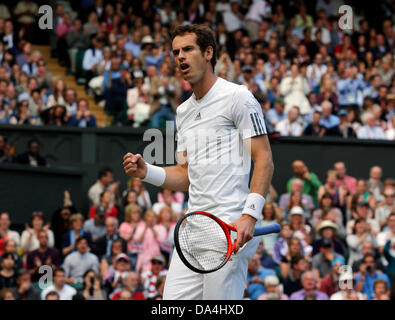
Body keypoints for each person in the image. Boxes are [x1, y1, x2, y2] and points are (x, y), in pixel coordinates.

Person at [123, 24, 274, 300]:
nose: (180, 56)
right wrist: (147, 171)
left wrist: (249, 216)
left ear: (208, 53)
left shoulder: (238, 97)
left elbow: (264, 159)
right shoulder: (183, 111)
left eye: (188, 49)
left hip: (229, 230)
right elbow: (186, 174)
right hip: (193, 232)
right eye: (176, 52)